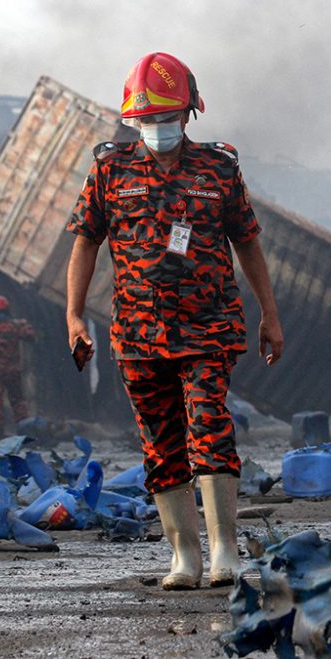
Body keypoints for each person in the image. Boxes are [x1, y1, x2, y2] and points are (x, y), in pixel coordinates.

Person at [65, 52, 283, 590]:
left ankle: (225, 553)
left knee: (209, 426)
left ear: (189, 114)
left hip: (209, 328)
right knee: (161, 443)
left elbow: (248, 243)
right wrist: (72, 316)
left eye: (168, 119)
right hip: (137, 336)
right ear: (133, 121)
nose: (158, 130)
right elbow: (85, 243)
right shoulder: (109, 170)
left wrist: (270, 316)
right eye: (148, 121)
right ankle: (184, 557)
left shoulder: (219, 168)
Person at [0, 295, 36, 436]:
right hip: (13, 371)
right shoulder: (16, 327)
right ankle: (24, 433)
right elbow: (31, 337)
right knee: (18, 403)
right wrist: (22, 324)